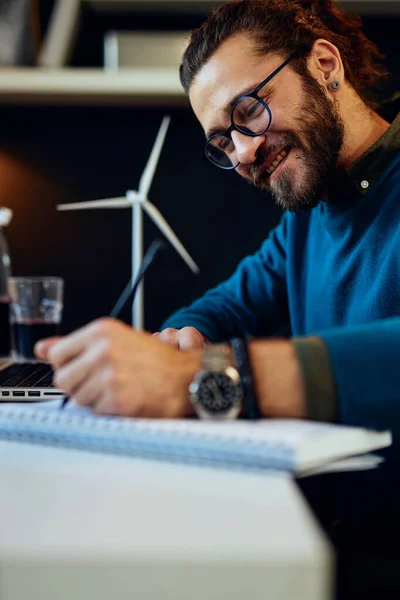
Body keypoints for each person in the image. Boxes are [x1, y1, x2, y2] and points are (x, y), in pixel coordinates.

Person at [35, 0, 400, 441]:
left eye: (249, 109)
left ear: (324, 65)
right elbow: (220, 309)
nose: (243, 152)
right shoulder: (305, 222)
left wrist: (212, 379)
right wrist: (177, 345)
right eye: (223, 141)